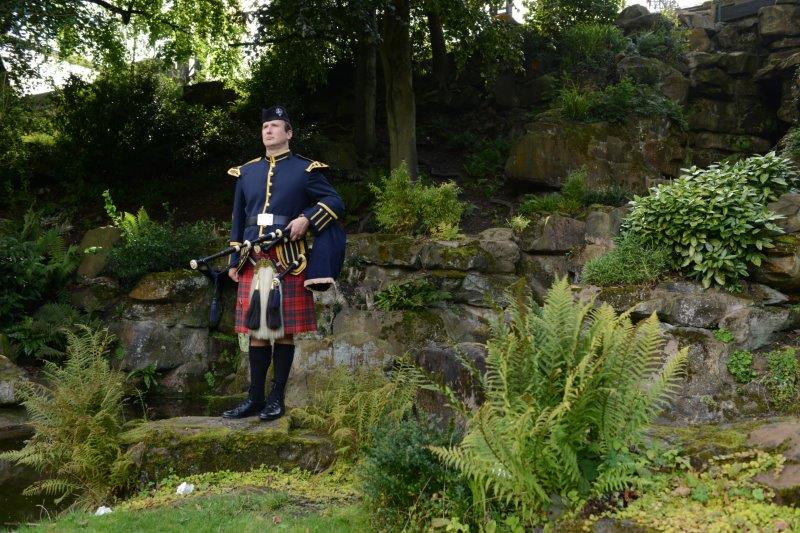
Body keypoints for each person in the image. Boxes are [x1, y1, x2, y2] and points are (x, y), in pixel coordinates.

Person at [222, 105, 345, 421]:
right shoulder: (246, 172)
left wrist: (306, 218)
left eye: (276, 126)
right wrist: (235, 259)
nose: (269, 131)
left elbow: (334, 202)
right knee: (257, 331)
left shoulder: (306, 171)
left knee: (283, 330)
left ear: (288, 133)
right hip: (253, 256)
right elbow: (238, 219)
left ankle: (277, 399)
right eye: (265, 126)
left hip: (287, 258)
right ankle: (255, 399)